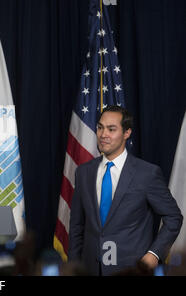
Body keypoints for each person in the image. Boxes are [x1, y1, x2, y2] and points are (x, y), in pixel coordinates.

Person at [68, 105, 183, 276]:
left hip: (132, 270)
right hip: (89, 269)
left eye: (111, 129)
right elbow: (77, 225)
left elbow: (174, 217)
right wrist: (73, 266)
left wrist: (153, 255)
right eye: (100, 127)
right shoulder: (84, 172)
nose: (103, 134)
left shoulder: (147, 174)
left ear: (127, 133)